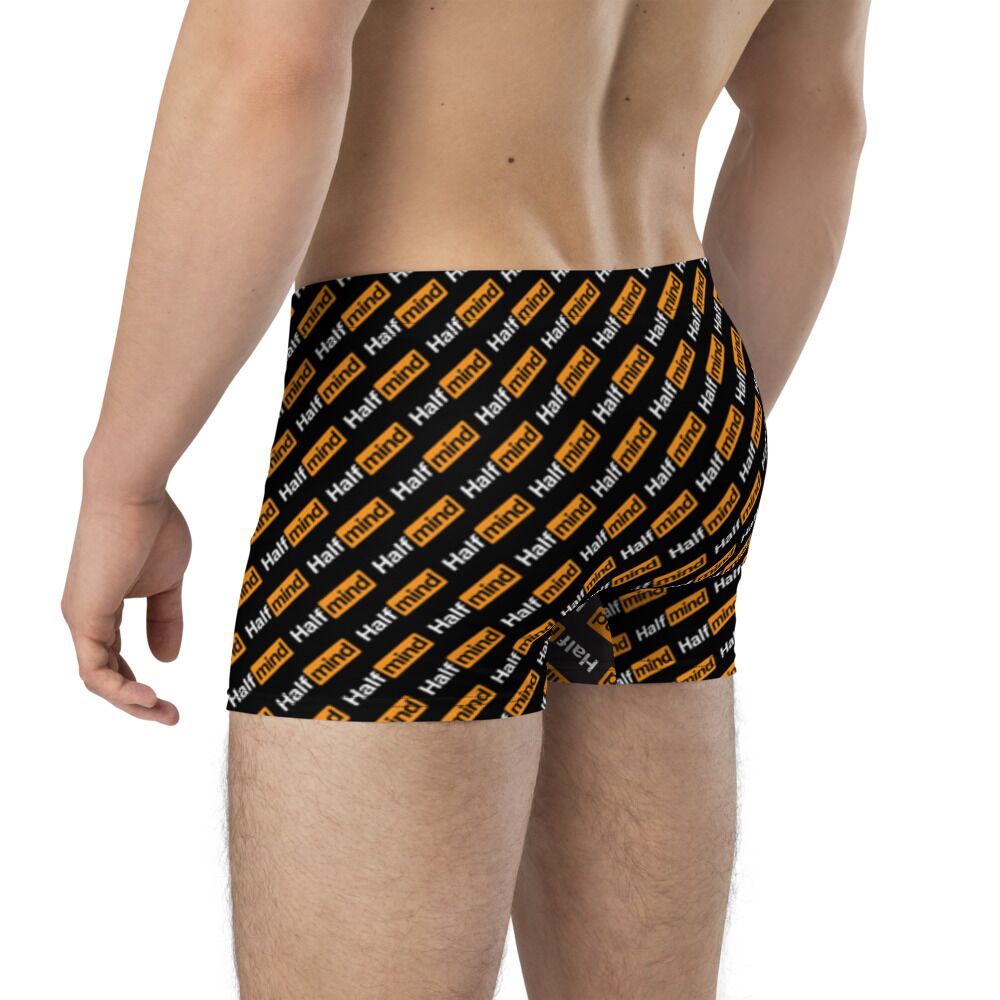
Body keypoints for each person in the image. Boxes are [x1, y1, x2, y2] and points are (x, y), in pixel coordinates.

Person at [61, 0, 869, 996]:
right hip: (677, 365)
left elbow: (267, 62)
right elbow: (816, 114)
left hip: (438, 379)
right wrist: (676, 428)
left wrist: (126, 480)